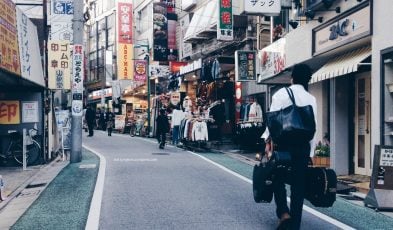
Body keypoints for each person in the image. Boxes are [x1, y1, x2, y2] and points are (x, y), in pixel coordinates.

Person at [262, 63, 317, 230]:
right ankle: (295, 224)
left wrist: (267, 141)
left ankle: (284, 213)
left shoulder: (281, 94)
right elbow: (314, 128)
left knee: (277, 177)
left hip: (283, 145)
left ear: (292, 78)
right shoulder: (311, 99)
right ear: (307, 79)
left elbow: (272, 121)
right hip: (302, 147)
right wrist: (311, 152)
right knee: (298, 185)